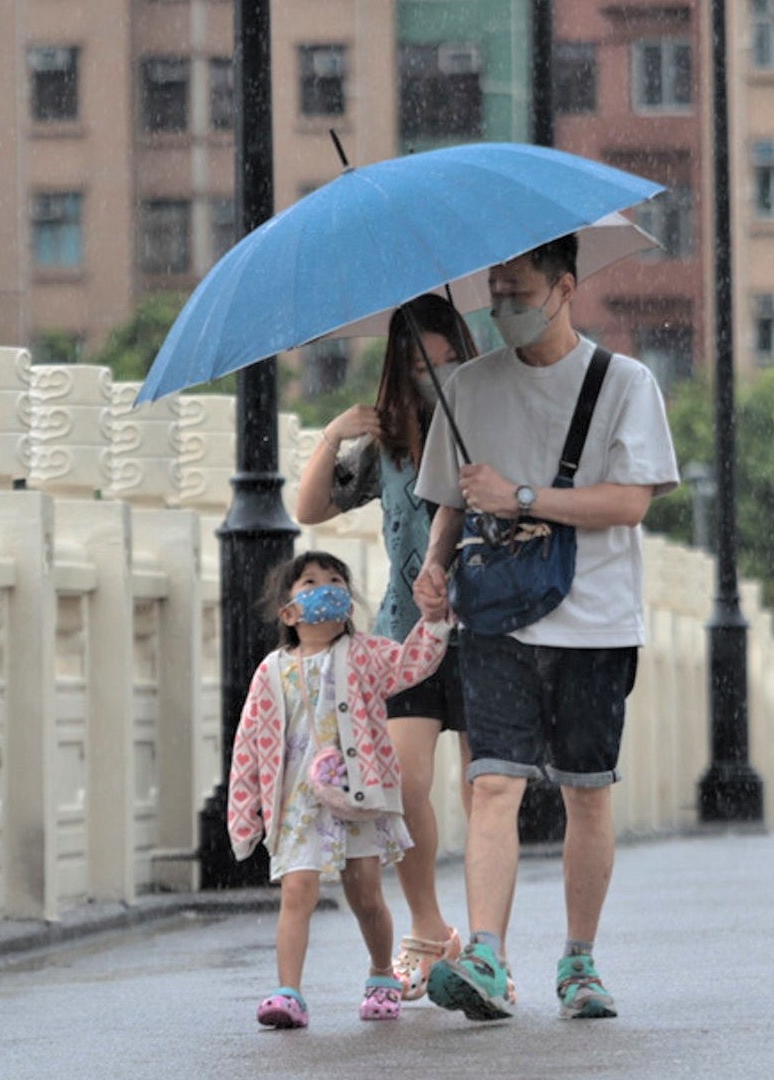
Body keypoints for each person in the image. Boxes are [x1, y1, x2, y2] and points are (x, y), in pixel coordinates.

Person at [413, 233, 679, 1022]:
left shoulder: (625, 384)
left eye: (520, 292)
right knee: (491, 782)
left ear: (565, 287)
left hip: (596, 621)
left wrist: (523, 497)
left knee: (585, 795)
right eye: (496, 292)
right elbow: (452, 502)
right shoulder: (468, 386)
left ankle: (579, 961)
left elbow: (630, 503)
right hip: (497, 618)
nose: (504, 307)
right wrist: (434, 566)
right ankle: (488, 955)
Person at [294, 293, 477, 1001]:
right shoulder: (391, 446)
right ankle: (429, 932)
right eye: (417, 359)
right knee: (400, 786)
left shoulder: (485, 424)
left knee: (484, 786)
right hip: (406, 637)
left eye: (443, 356)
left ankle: (488, 944)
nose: (431, 370)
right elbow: (309, 509)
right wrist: (331, 436)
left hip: (487, 627)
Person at [226, 550, 453, 1028]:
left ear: (348, 605)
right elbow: (249, 744)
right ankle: (288, 992)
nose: (326, 587)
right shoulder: (271, 672)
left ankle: (380, 975)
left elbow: (413, 663)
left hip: (356, 797)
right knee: (297, 890)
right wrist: (245, 812)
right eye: (310, 582)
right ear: (289, 612)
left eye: (336, 580)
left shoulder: (368, 655)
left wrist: (434, 621)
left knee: (366, 895)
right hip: (296, 803)